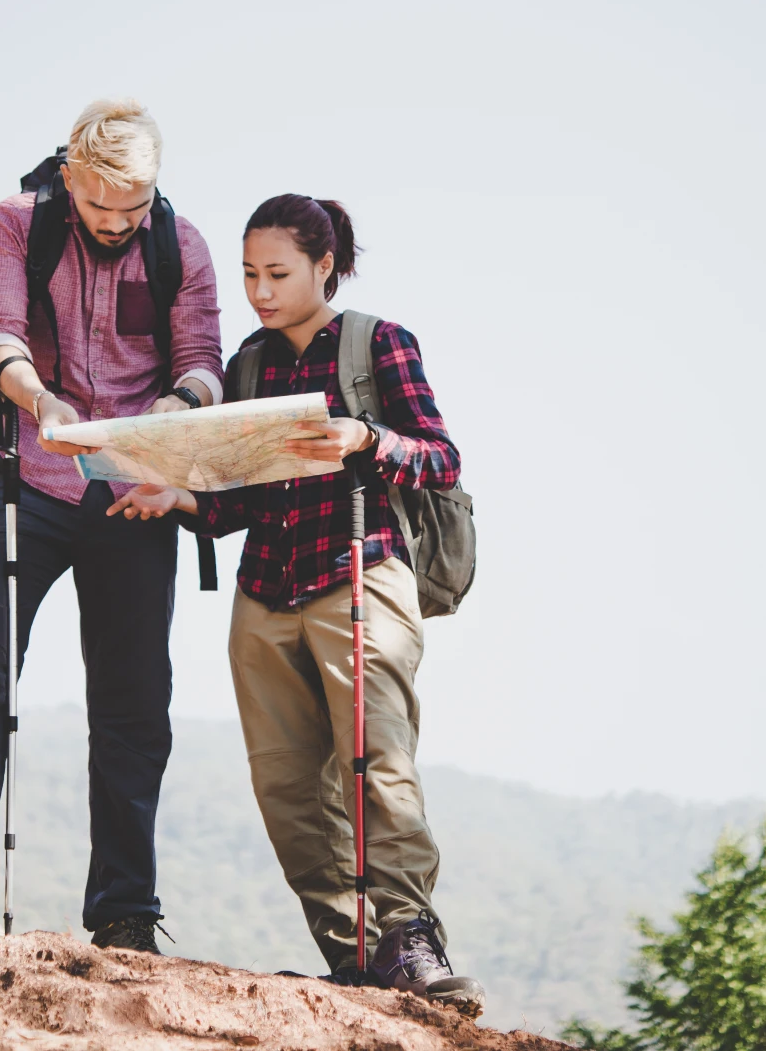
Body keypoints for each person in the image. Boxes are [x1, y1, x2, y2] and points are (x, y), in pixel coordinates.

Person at [108, 194, 484, 1014]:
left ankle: (410, 936)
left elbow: (443, 458)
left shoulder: (378, 343)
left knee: (376, 766)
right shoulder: (247, 365)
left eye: (277, 273)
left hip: (361, 572)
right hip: (265, 593)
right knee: (285, 789)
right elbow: (236, 500)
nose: (261, 291)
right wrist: (176, 495)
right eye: (248, 274)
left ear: (325, 266)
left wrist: (367, 439)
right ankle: (353, 959)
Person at [0, 98, 223, 953]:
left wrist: (167, 418)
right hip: (26, 474)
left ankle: (127, 909)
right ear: (70, 176)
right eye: (99, 205)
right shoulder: (18, 222)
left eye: (132, 209)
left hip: (133, 492)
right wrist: (40, 398)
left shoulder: (186, 246)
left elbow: (203, 365)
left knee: (136, 703)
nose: (114, 222)